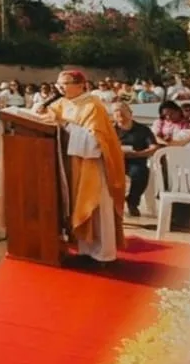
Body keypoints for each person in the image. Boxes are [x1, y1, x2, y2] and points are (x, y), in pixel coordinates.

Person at [37, 69, 125, 263]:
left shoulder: (93, 106)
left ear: (80, 85)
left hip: (92, 164)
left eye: (65, 84)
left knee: (97, 209)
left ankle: (103, 255)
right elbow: (47, 120)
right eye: (59, 84)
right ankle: (86, 251)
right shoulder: (61, 103)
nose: (60, 87)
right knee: (79, 206)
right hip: (72, 163)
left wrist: (63, 124)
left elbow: (94, 141)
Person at [113, 102, 157, 217]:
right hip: (115, 160)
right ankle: (113, 204)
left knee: (140, 173)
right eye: (116, 111)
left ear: (130, 113)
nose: (119, 114)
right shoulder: (110, 129)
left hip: (136, 160)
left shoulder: (143, 129)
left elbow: (153, 147)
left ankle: (132, 202)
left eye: (122, 111)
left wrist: (139, 154)